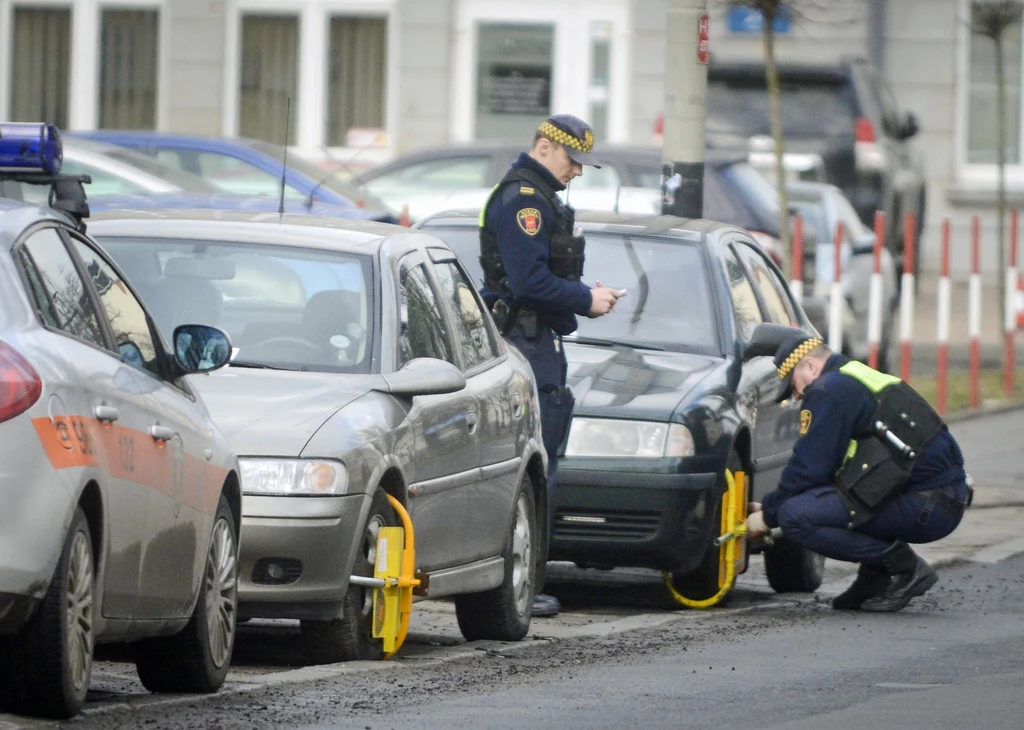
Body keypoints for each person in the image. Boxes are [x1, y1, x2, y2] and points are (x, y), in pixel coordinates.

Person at [479, 114, 622, 617]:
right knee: (538, 468)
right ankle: (523, 586)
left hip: (536, 340)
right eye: (572, 159)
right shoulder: (525, 202)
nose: (577, 171)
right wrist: (587, 298)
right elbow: (528, 283)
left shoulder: (538, 198)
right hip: (527, 343)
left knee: (542, 465)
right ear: (544, 147)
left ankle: (525, 583)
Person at [744, 324, 972, 612]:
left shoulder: (828, 390)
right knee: (831, 497)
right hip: (941, 498)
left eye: (793, 384)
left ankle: (903, 567)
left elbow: (809, 468)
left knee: (795, 517)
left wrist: (769, 514)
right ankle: (874, 577)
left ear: (811, 366)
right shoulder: (853, 375)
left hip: (927, 504)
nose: (796, 395)